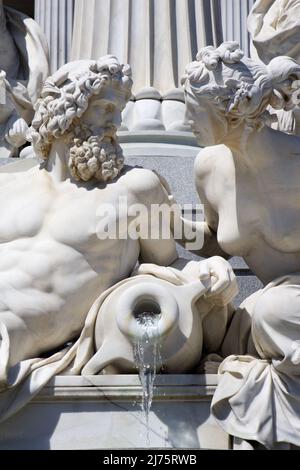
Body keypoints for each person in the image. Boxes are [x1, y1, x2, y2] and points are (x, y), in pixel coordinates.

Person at [0, 55, 236, 421]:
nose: (115, 124)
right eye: (105, 108)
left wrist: (210, 268)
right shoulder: (7, 187)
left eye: (120, 110)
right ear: (67, 111)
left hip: (12, 334)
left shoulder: (134, 189)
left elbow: (169, 265)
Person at [182, 41, 300, 448]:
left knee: (270, 310)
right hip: (272, 308)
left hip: (289, 307)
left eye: (193, 109)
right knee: (257, 311)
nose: (185, 121)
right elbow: (216, 242)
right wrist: (160, 221)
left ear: (227, 110)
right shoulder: (208, 167)